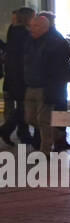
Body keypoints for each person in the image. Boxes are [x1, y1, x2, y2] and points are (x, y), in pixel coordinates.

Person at [24, 12, 70, 154]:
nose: (33, 28)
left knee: (53, 115)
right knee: (55, 113)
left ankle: (55, 141)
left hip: (52, 84)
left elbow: (60, 62)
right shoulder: (45, 39)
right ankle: (59, 137)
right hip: (50, 84)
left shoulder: (53, 39)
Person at [0, 9, 35, 146]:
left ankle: (22, 133)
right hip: (22, 76)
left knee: (22, 106)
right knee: (24, 107)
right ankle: (6, 130)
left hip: (14, 75)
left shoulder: (14, 32)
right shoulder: (25, 34)